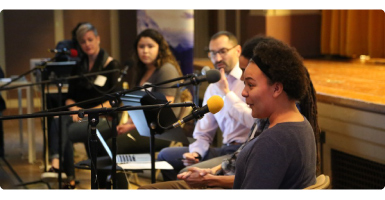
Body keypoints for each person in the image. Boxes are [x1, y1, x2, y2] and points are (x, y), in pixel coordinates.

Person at [139, 36, 319, 189]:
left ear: (277, 88)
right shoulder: (295, 123)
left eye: (251, 85)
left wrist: (210, 181)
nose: (243, 92)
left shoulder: (273, 142)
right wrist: (211, 176)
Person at [156, 31, 254, 181]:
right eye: (213, 53)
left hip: (246, 151)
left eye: (223, 51)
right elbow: (203, 132)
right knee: (165, 156)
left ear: (238, 50)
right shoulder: (213, 87)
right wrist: (196, 153)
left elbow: (252, 120)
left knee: (186, 172)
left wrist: (226, 93)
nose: (218, 58)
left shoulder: (248, 80)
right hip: (225, 149)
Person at [46, 22, 122, 189]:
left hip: (103, 118)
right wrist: (74, 109)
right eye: (83, 41)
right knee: (59, 119)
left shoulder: (111, 65)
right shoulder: (78, 66)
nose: (87, 44)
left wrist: (88, 112)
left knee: (61, 127)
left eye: (90, 39)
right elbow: (69, 96)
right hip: (81, 116)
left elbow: (115, 99)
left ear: (98, 39)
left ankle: (64, 172)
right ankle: (63, 170)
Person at [106, 28, 188, 155]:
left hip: (162, 131)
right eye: (141, 46)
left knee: (113, 145)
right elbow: (137, 106)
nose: (145, 51)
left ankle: (118, 174)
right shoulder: (142, 70)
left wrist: (132, 127)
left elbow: (162, 111)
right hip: (144, 126)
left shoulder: (166, 69)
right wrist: (128, 123)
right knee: (99, 139)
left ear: (160, 48)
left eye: (150, 46)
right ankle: (113, 173)